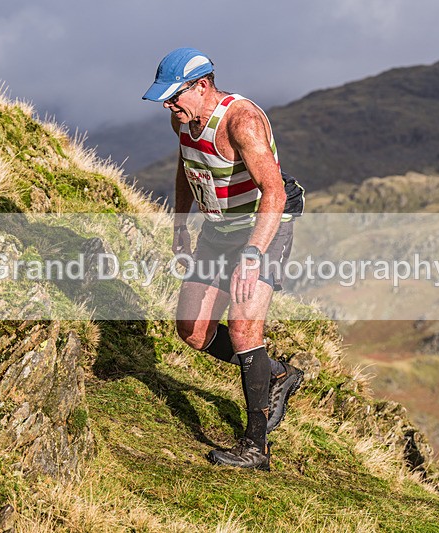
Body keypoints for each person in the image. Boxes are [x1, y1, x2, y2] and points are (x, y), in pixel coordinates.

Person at [142, 47, 305, 470]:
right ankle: (273, 373)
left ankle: (256, 446)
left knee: (243, 327)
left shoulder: (242, 122)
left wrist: (252, 254)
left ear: (202, 85)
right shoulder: (182, 118)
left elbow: (275, 192)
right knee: (191, 330)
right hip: (218, 230)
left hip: (263, 227)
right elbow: (187, 165)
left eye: (175, 95)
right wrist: (180, 224)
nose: (168, 104)